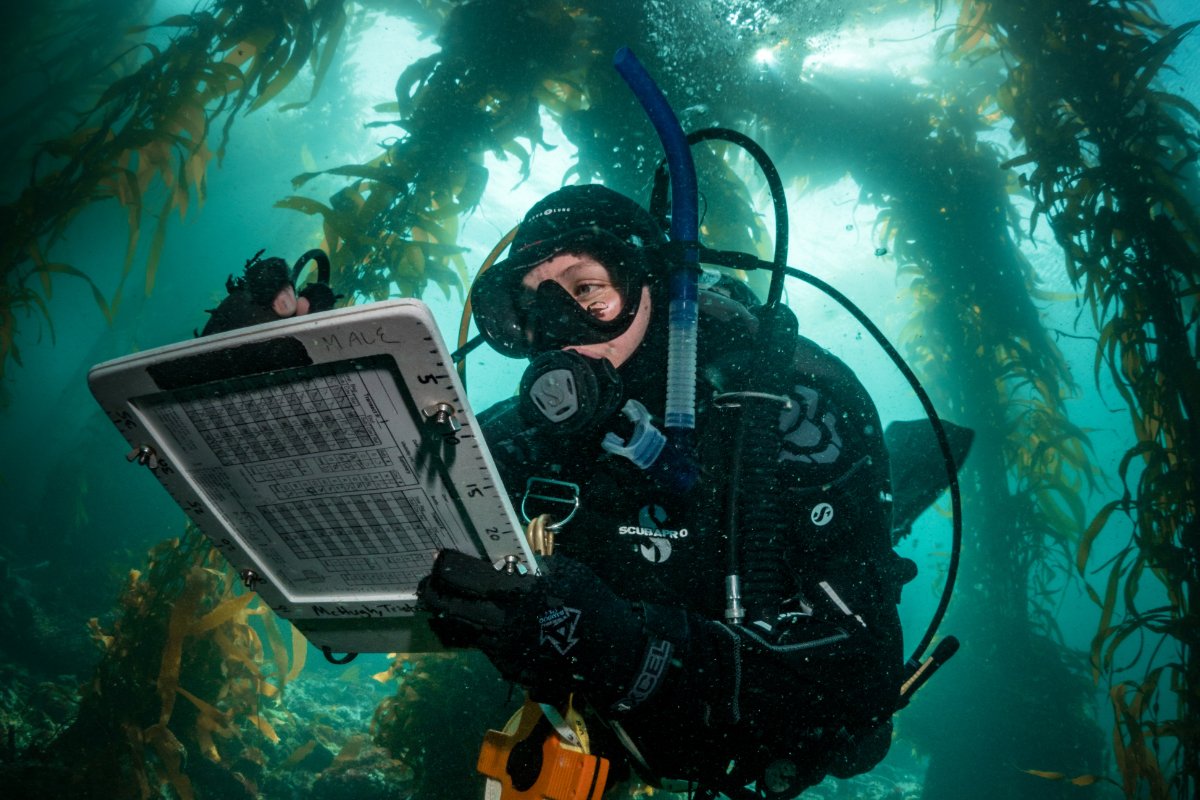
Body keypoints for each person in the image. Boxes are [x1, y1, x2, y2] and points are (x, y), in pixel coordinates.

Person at [417, 184, 917, 798]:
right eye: (532, 304)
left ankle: (895, 503)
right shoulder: (532, 428)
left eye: (589, 290)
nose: (561, 328)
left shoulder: (792, 413)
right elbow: (404, 502)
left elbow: (860, 699)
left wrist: (632, 651)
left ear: (653, 282)